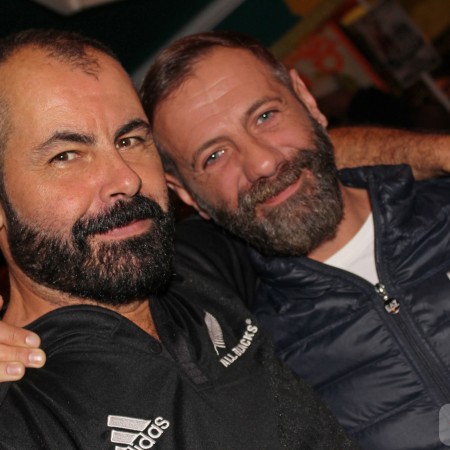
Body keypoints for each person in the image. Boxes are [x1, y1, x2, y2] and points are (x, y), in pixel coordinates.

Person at [0, 29, 359, 449]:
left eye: (129, 140)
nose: (126, 178)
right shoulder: (19, 415)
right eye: (66, 155)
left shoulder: (203, 263)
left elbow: (292, 162)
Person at [136, 31, 450, 450]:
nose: (263, 163)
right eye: (214, 156)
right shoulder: (257, 366)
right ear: (188, 195)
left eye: (265, 116)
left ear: (307, 100)